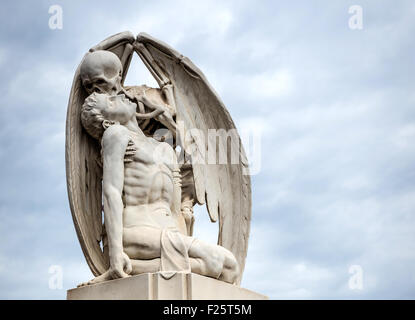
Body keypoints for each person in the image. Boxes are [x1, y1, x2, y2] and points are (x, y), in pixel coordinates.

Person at [78, 92, 238, 286]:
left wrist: (169, 122)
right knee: (217, 262)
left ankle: (136, 267)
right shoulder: (116, 135)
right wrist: (115, 252)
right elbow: (111, 193)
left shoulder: (165, 148)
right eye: (110, 102)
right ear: (107, 122)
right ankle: (119, 266)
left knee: (229, 269)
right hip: (136, 230)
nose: (119, 95)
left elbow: (174, 210)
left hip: (167, 231)